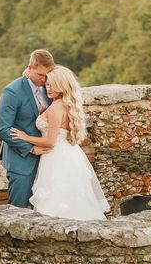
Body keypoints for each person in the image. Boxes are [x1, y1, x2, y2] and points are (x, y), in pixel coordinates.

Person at [11, 65, 110, 220]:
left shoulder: (57, 108)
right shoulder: (65, 104)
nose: (48, 88)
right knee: (72, 199)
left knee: (58, 200)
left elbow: (50, 142)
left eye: (53, 85)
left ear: (62, 86)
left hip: (56, 158)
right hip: (69, 154)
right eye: (47, 84)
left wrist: (25, 137)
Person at [0, 49, 55, 208]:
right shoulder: (12, 91)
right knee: (18, 210)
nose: (44, 79)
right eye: (40, 75)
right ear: (30, 67)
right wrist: (31, 149)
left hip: (48, 160)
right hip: (21, 161)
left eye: (47, 75)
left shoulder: (50, 86)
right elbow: (3, 129)